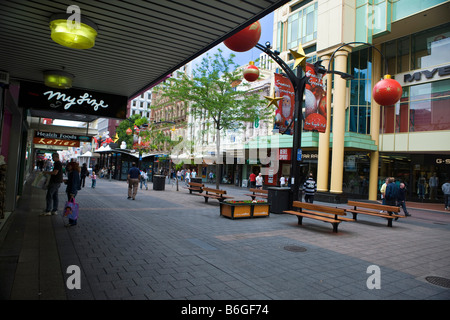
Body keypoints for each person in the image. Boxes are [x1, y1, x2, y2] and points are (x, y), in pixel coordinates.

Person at [64, 161, 81, 227]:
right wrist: (66, 181)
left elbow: (74, 183)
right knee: (71, 206)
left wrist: (72, 193)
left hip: (72, 191)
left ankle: (72, 221)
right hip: (72, 190)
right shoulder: (74, 172)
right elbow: (72, 182)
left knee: (71, 206)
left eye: (69, 166)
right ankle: (72, 221)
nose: (68, 167)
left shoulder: (74, 173)